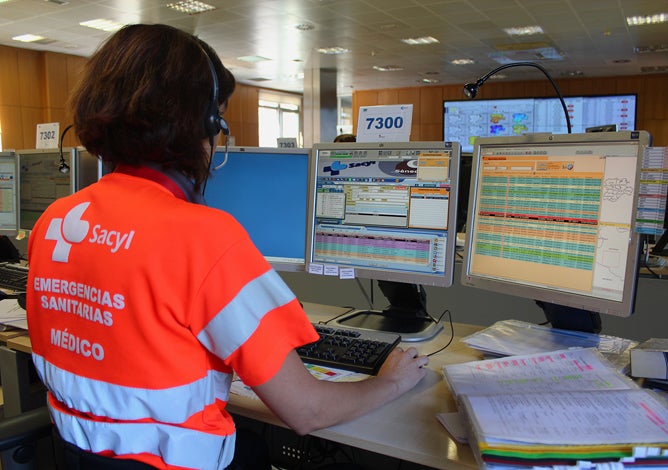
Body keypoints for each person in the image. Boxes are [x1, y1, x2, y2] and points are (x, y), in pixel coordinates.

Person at [26, 23, 428, 470]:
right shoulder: (201, 235)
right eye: (218, 117)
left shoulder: (55, 222)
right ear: (202, 124)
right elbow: (306, 410)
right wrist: (392, 382)